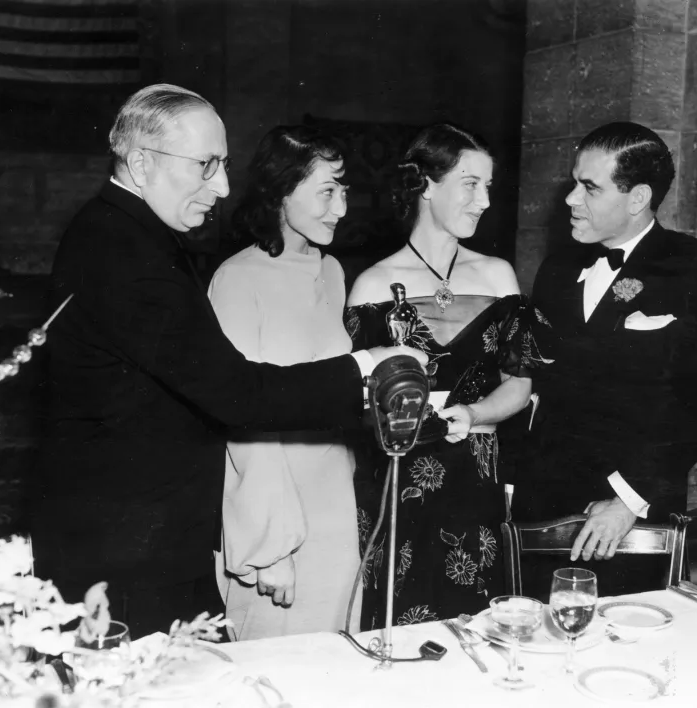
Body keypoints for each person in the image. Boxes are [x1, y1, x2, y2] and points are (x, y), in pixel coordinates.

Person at [29, 84, 423, 638]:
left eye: (225, 165)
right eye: (206, 165)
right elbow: (238, 394)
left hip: (152, 532)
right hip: (126, 549)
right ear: (141, 162)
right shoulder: (127, 254)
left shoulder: (131, 233)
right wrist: (365, 367)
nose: (223, 186)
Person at [515, 121, 697, 597]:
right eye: (575, 183)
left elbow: (696, 407)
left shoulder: (695, 269)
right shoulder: (556, 269)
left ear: (637, 199)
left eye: (589, 188)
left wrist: (625, 501)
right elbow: (537, 389)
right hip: (542, 507)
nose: (571, 199)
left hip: (631, 517)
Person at [346, 123, 549, 628]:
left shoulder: (497, 276)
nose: (483, 200)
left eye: (488, 186)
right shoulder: (372, 284)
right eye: (470, 183)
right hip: (396, 478)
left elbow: (520, 384)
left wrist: (475, 413)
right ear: (426, 185)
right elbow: (354, 399)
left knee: (476, 624)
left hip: (473, 479)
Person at [208, 125, 361, 640]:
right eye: (326, 191)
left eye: (343, 190)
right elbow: (241, 423)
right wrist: (271, 549)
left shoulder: (333, 270)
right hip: (272, 520)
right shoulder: (237, 279)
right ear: (280, 191)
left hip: (334, 505)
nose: (340, 207)